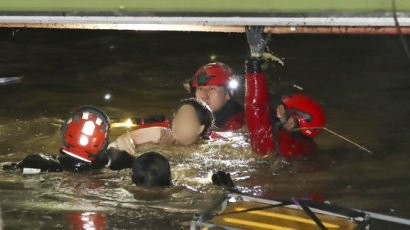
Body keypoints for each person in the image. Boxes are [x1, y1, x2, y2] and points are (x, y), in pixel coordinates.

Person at [1, 105, 171, 187]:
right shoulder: (116, 159)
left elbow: (6, 169)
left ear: (65, 133)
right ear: (103, 142)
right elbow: (154, 168)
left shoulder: (38, 163)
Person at [244, 26, 326, 157]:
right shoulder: (308, 148)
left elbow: (255, 106)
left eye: (281, 110)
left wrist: (255, 60)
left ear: (292, 122)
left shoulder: (270, 142)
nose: (276, 113)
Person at [109, 98, 214, 154]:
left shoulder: (207, 150)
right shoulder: (162, 135)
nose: (180, 125)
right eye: (178, 118)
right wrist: (131, 155)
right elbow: (124, 139)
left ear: (199, 128)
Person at [188, 62, 245, 131]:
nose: (204, 96)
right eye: (200, 88)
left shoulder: (238, 123)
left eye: (212, 89)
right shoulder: (190, 116)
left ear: (228, 93)